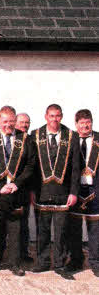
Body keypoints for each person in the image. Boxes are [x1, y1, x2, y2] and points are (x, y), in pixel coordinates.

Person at [0, 106, 35, 276]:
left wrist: (16, 184)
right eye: (5, 122)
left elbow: (30, 165)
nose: (8, 125)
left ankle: (15, 264)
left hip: (16, 193)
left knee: (15, 231)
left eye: (11, 121)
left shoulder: (25, 139)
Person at [31, 104, 80, 277]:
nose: (54, 119)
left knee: (61, 232)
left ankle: (60, 263)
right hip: (42, 191)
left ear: (62, 116)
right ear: (46, 116)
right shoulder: (35, 135)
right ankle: (42, 262)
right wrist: (32, 191)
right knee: (42, 231)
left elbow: (75, 168)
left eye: (58, 116)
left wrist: (74, 192)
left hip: (63, 192)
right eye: (51, 116)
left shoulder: (71, 136)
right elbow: (32, 167)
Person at [71, 109, 98, 277]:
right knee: (73, 227)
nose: (85, 125)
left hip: (95, 190)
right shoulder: (70, 139)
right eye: (82, 122)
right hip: (76, 189)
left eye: (88, 122)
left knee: (95, 229)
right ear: (76, 124)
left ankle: (95, 262)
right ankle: (75, 260)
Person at [15, 113, 33, 263]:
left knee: (23, 222)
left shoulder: (31, 140)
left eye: (27, 123)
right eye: (21, 122)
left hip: (26, 188)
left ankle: (23, 252)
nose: (24, 125)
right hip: (9, 187)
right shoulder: (11, 139)